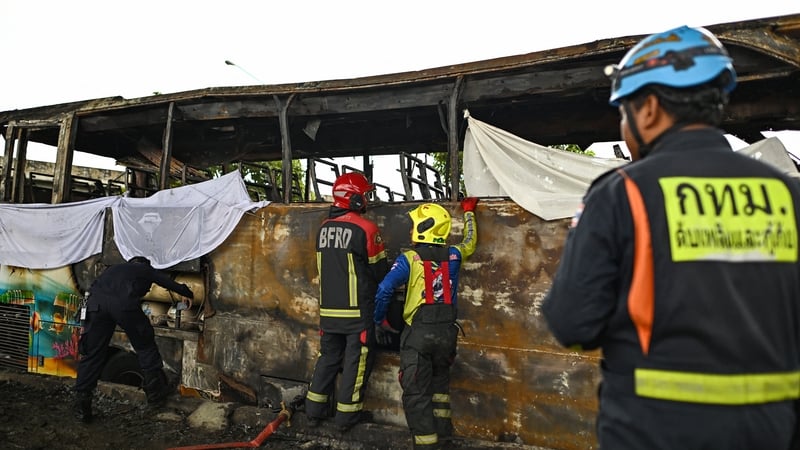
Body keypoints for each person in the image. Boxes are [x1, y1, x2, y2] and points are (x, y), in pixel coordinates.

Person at [542, 25, 800, 449]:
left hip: (655, 429)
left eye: (623, 113)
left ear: (649, 109)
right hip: (771, 429)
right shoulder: (787, 194)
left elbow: (572, 322)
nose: (624, 125)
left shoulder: (621, 193)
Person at [373, 198, 478, 449]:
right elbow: (470, 241)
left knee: (416, 393)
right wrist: (469, 213)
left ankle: (426, 445)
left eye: (414, 225)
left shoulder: (409, 259)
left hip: (419, 336)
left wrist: (379, 319)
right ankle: (445, 439)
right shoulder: (454, 254)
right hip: (447, 335)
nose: (411, 231)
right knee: (440, 388)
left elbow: (385, 289)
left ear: (425, 227)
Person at [305, 172, 389, 432]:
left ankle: (313, 412)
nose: (366, 199)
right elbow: (380, 272)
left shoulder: (322, 230)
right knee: (357, 361)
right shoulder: (366, 229)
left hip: (328, 312)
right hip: (357, 315)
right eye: (364, 194)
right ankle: (346, 419)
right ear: (353, 198)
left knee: (328, 358)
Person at [74, 256, 194, 423]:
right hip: (124, 305)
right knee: (145, 344)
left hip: (96, 305)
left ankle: (82, 406)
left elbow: (94, 288)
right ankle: (155, 395)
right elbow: (166, 282)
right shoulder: (143, 269)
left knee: (93, 353)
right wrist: (186, 293)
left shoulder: (112, 269)